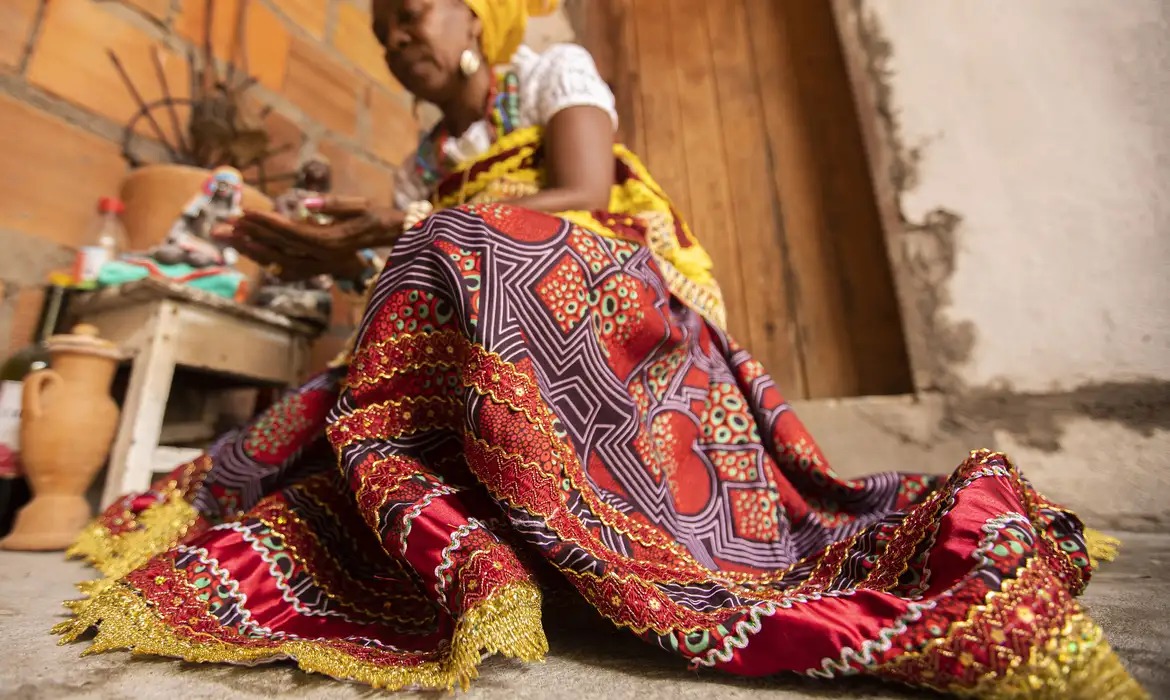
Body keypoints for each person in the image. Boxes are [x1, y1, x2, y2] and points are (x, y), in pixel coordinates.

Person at [56, 1, 1144, 696]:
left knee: (463, 244)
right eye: (382, 31)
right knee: (403, 313)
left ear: (479, 15)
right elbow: (423, 260)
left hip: (600, 281)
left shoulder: (554, 74)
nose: (396, 42)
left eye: (413, 14)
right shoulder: (430, 155)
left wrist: (381, 230)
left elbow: (575, 195)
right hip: (498, 285)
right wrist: (323, 239)